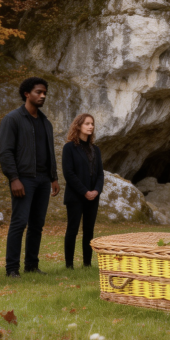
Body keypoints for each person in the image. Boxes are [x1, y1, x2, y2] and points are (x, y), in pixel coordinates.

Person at [0, 77, 60, 278]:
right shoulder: (13, 119)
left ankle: (32, 265)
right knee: (19, 222)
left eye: (44, 93)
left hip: (43, 180)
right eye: (38, 92)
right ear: (27, 93)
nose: (42, 96)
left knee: (37, 225)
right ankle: (12, 269)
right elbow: (5, 152)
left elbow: (49, 152)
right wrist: (13, 178)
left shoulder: (45, 122)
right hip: (23, 179)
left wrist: (53, 177)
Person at [62, 114, 104, 269]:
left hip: (93, 196)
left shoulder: (96, 150)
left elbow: (100, 173)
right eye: (87, 123)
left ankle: (87, 263)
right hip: (75, 196)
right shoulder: (69, 148)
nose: (91, 126)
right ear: (78, 126)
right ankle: (69, 265)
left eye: (92, 124)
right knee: (72, 229)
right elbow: (69, 173)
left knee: (89, 230)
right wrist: (85, 191)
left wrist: (96, 191)